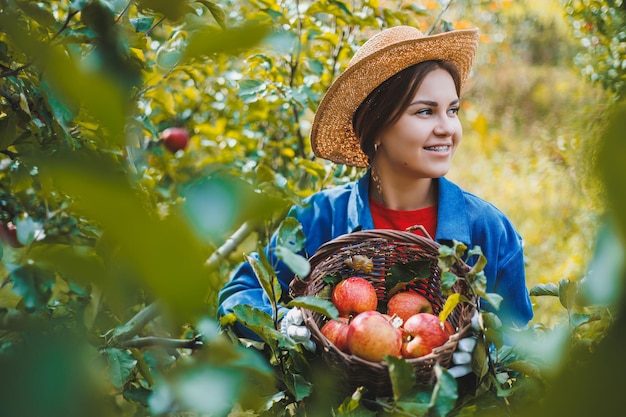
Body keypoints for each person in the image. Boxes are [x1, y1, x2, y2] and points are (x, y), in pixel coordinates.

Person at [217, 25, 534, 346]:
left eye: (452, 110)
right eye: (425, 111)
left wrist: (486, 352)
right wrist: (282, 322)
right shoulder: (318, 218)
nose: (447, 128)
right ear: (377, 126)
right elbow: (238, 295)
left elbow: (521, 347)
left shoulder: (488, 231)